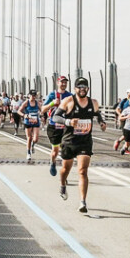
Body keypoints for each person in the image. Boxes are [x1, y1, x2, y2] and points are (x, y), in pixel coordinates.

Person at [52, 76, 107, 211]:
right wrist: (68, 122)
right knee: (66, 169)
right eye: (80, 87)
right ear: (75, 89)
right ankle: (62, 184)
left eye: (85, 87)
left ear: (88, 88)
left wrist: (101, 122)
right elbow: (55, 117)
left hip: (85, 142)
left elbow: (97, 113)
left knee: (82, 171)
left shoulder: (93, 102)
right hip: (70, 141)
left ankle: (83, 202)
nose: (82, 89)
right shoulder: (68, 101)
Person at [41, 76, 72, 177]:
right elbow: (42, 109)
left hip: (65, 126)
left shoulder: (70, 96)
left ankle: (64, 173)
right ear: (57, 83)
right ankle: (53, 162)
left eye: (65, 82)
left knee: (65, 151)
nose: (63, 84)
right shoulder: (52, 94)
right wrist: (52, 103)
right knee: (55, 151)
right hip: (54, 126)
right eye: (62, 82)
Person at [19, 89, 42, 161]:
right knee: (29, 138)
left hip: (35, 122)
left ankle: (33, 145)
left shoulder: (37, 103)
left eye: (34, 95)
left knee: (35, 139)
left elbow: (42, 110)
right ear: (29, 95)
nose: (33, 97)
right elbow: (19, 111)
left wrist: (42, 114)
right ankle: (28, 153)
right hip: (28, 122)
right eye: (32, 95)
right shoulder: (26, 103)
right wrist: (24, 115)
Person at [113, 89, 130, 153]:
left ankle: (122, 145)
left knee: (128, 135)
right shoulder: (124, 101)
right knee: (127, 135)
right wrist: (120, 115)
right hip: (124, 119)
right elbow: (117, 109)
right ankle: (123, 146)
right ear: (127, 93)